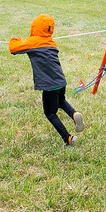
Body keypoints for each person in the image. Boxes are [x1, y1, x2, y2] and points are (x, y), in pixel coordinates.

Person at [9, 14, 85, 146]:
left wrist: (15, 39)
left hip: (50, 85)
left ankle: (68, 138)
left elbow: (13, 48)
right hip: (61, 81)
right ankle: (74, 114)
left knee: (50, 113)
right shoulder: (51, 42)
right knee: (61, 101)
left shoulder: (33, 42)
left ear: (35, 27)